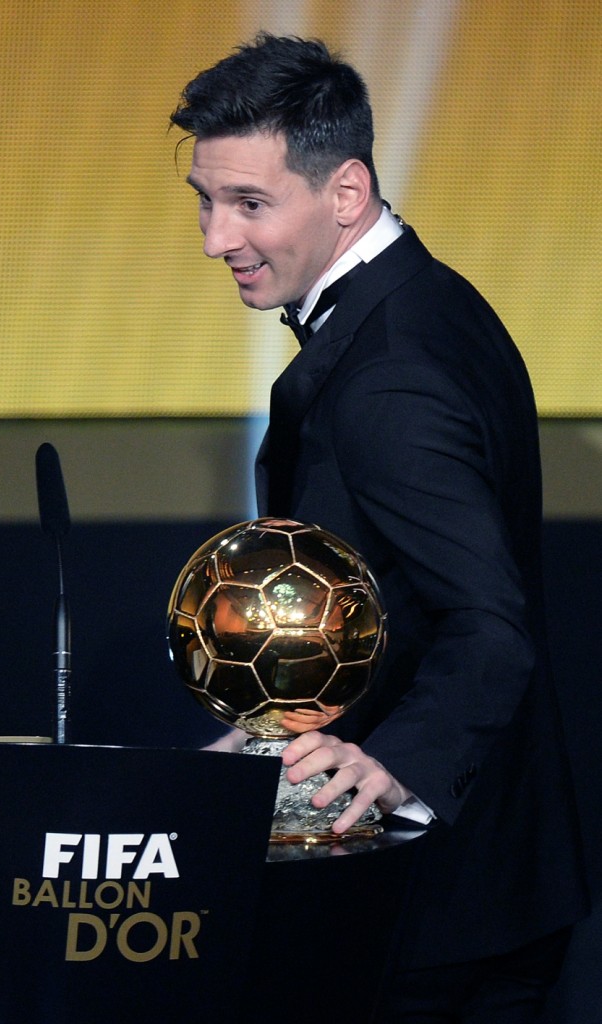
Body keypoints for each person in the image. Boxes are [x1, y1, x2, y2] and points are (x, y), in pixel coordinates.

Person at [170, 33, 587, 1021]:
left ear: (345, 192)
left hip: (435, 915)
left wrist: (390, 765)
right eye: (205, 198)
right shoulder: (426, 304)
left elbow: (488, 622)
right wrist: (276, 741)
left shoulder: (393, 371)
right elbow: (390, 595)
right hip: (466, 897)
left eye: (249, 204)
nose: (214, 236)